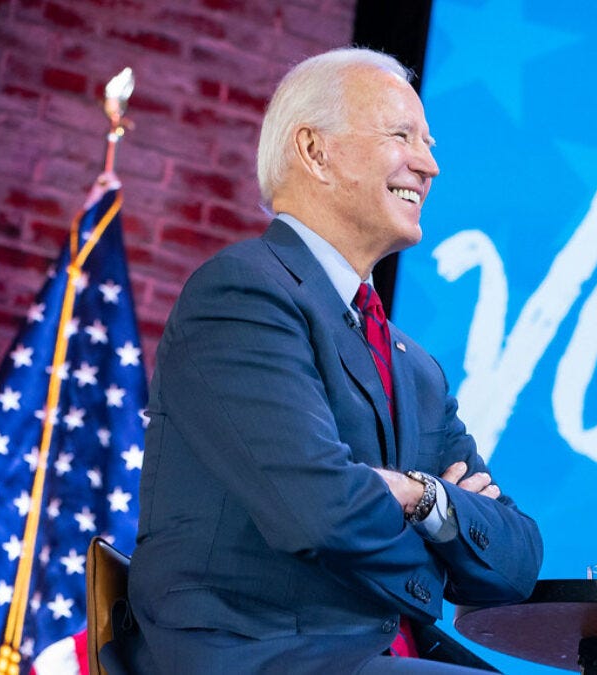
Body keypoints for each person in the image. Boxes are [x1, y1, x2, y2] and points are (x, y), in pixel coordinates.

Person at [127, 48, 543, 673]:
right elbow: (319, 513)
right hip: (264, 656)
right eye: (402, 136)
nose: (429, 164)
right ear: (315, 152)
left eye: (427, 142)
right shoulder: (243, 293)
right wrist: (443, 534)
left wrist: (418, 495)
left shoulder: (416, 369)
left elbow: (516, 560)